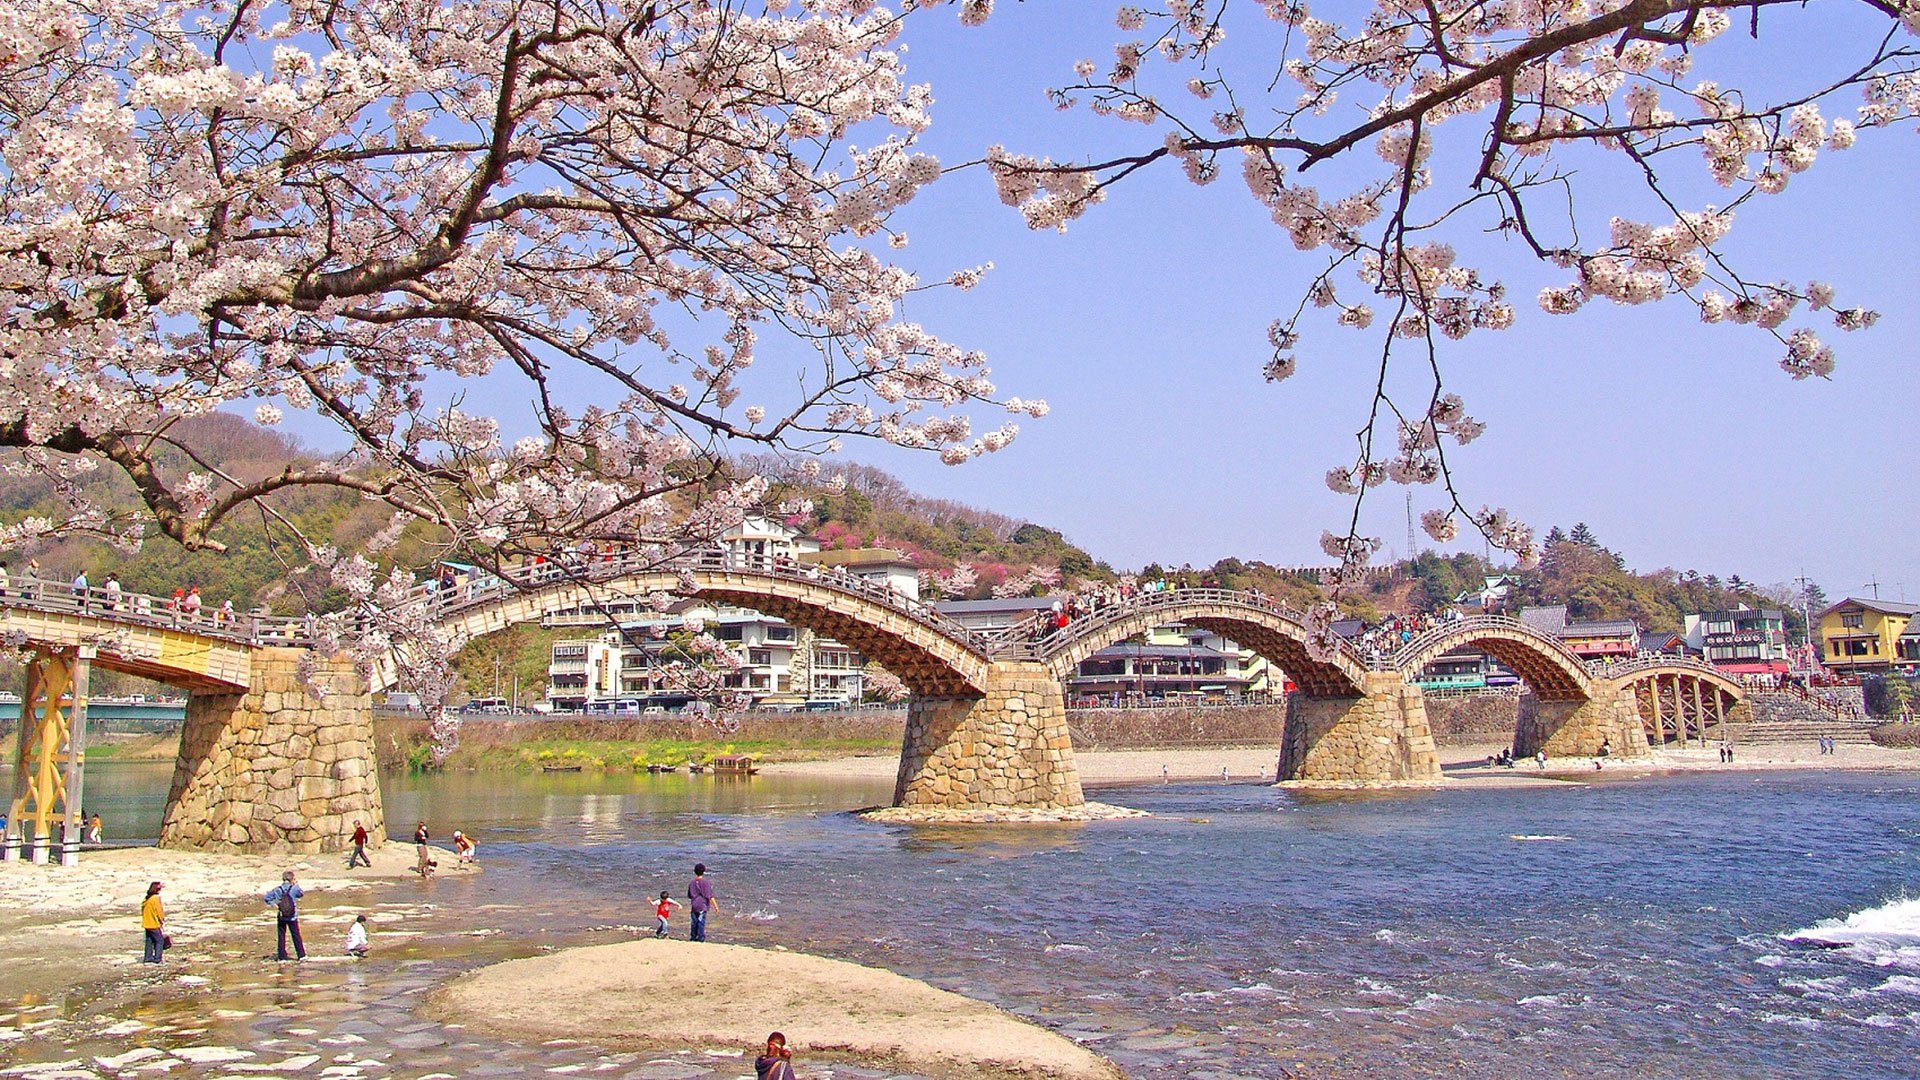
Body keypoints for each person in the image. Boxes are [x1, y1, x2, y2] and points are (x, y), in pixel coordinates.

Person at [263, 871, 306, 961]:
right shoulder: (294, 888)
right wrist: (296, 885)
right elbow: (301, 894)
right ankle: (301, 955)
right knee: (296, 935)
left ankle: (282, 956)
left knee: (281, 935)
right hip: (292, 916)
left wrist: (274, 905)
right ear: (292, 879)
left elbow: (267, 898)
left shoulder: (277, 889)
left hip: (282, 915)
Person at [687, 863, 717, 942]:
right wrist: (716, 907)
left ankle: (693, 937)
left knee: (694, 922)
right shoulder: (706, 883)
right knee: (701, 922)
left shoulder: (692, 883)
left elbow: (689, 895)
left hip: (694, 905)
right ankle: (700, 938)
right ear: (703, 871)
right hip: (703, 905)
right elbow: (710, 896)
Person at [141, 881, 166, 963]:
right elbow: (159, 911)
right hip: (153, 923)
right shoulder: (156, 898)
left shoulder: (147, 898)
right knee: (160, 940)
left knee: (149, 940)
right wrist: (162, 920)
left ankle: (148, 957)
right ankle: (157, 958)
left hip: (146, 922)